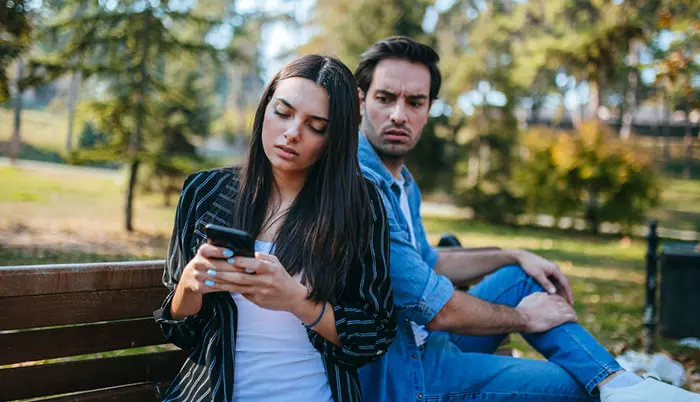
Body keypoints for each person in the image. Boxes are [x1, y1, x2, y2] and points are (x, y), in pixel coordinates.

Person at [355, 36, 699, 402]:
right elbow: (435, 308)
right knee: (571, 388)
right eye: (385, 98)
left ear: (429, 109)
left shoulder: (403, 183)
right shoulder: (359, 185)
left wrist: (514, 254)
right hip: (405, 373)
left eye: (415, 102)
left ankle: (617, 384)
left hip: (429, 341)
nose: (398, 114)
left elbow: (431, 260)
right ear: (361, 101)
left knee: (522, 276)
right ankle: (612, 389)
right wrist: (523, 318)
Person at [154, 55, 396, 402]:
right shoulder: (204, 193)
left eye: (316, 127)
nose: (291, 133)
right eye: (283, 112)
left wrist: (298, 301)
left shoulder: (359, 205)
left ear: (335, 138)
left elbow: (374, 334)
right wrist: (190, 286)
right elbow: (180, 331)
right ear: (265, 108)